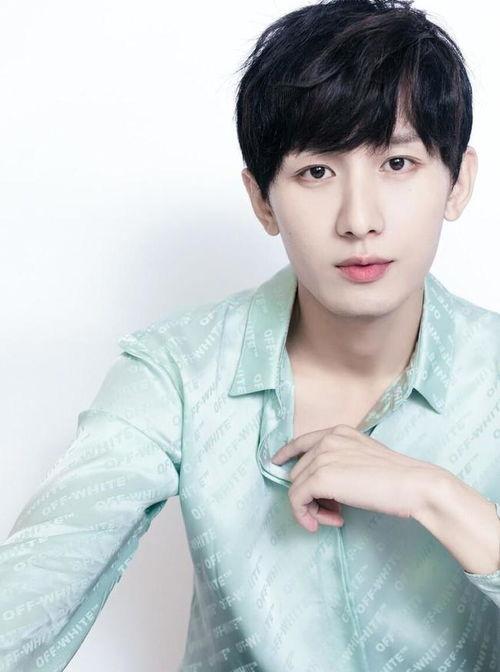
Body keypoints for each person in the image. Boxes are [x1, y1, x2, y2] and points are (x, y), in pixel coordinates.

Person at [1, 0, 499, 670]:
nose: (359, 219)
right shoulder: (181, 370)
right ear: (263, 200)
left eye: (398, 163)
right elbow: (33, 588)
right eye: (316, 171)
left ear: (458, 182)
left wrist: (438, 497)